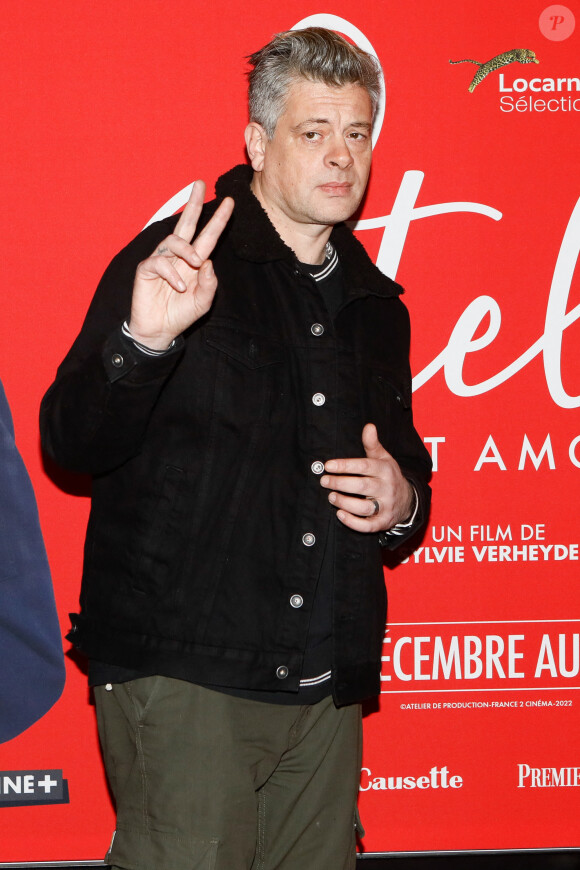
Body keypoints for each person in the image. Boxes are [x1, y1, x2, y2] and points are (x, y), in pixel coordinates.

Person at [40, 27, 431, 870]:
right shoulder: (177, 264)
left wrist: (402, 504)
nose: (341, 156)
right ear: (258, 141)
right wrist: (143, 345)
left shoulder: (377, 306)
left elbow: (407, 473)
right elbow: (70, 440)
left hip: (327, 688)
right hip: (188, 682)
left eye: (357, 133)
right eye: (313, 131)